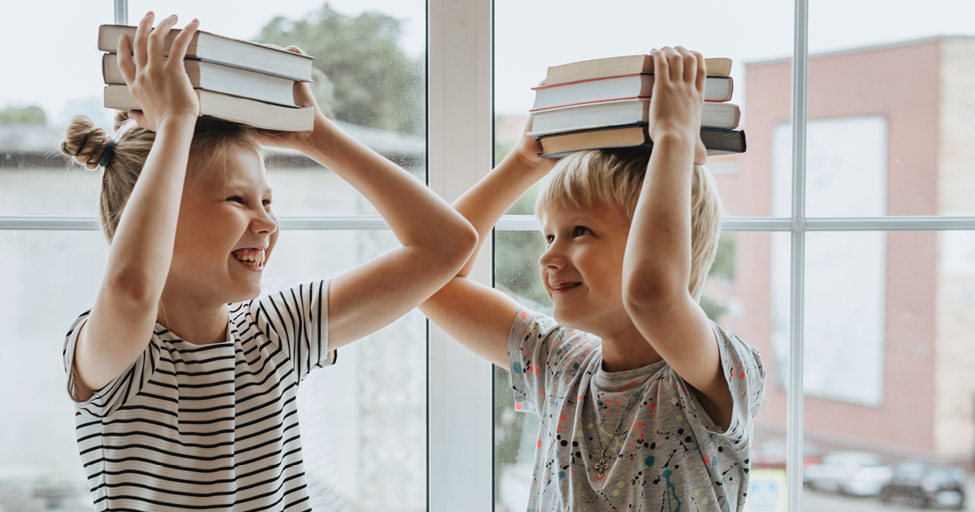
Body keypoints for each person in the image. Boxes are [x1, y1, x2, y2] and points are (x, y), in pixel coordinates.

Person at [60, 13, 476, 511]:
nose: (267, 224)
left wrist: (314, 135)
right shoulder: (120, 356)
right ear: (154, 214)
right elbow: (132, 291)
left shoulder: (274, 332)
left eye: (268, 203)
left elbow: (447, 246)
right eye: (238, 200)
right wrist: (175, 122)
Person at [420, 47, 765, 510]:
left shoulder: (714, 370)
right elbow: (428, 278)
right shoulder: (559, 359)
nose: (549, 256)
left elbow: (652, 294)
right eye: (548, 236)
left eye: (580, 231)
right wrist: (522, 164)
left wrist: (676, 139)